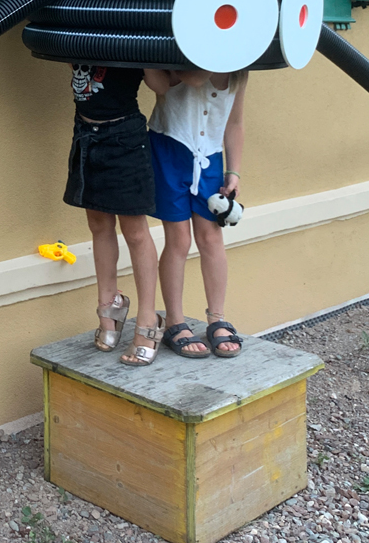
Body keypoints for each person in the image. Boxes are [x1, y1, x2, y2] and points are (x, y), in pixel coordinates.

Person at [142, 66, 248, 359]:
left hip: (210, 159)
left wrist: (233, 171)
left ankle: (217, 318)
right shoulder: (181, 61)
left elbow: (234, 122)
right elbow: (171, 82)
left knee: (211, 238)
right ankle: (175, 321)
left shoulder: (239, 71)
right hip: (169, 150)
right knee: (178, 240)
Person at [65, 63, 162, 366]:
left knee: (134, 231)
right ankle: (109, 305)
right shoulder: (84, 30)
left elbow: (160, 85)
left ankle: (148, 319)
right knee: (98, 224)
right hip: (85, 132)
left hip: (124, 135)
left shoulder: (127, 26)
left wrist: (145, 52)